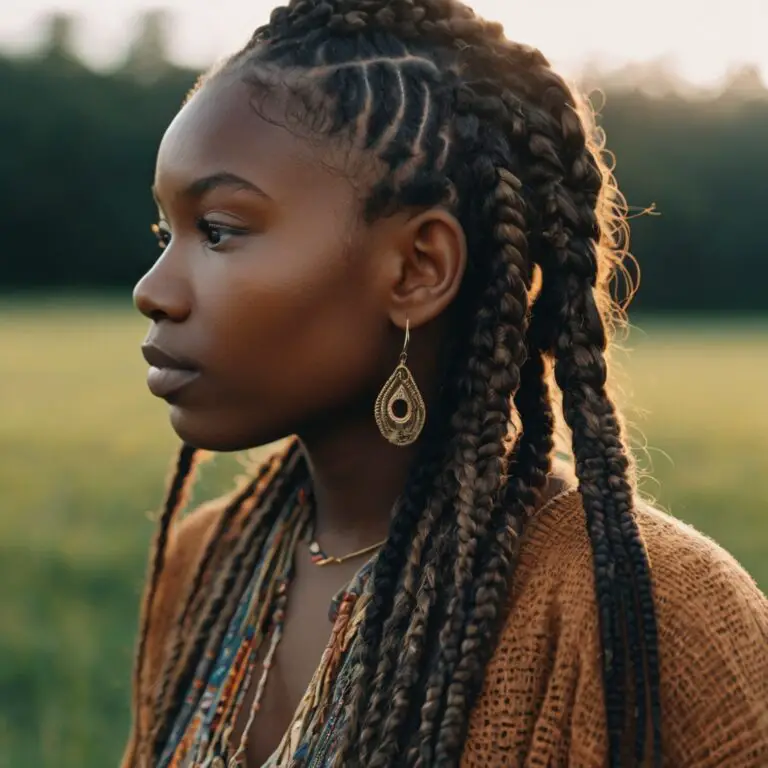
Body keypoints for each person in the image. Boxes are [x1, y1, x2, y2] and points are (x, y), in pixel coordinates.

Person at [122, 1, 768, 765]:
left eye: (220, 230)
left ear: (419, 268)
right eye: (168, 232)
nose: (153, 289)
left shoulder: (656, 613)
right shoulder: (205, 565)